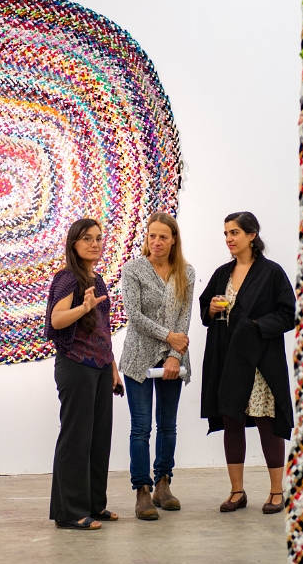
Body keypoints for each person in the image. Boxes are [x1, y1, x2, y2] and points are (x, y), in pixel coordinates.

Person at [199, 212, 296, 514]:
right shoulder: (221, 274)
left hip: (260, 361)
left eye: (235, 232)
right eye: (226, 233)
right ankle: (237, 491)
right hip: (228, 360)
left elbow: (288, 313)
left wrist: (255, 326)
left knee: (268, 422)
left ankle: (277, 492)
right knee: (232, 421)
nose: (229, 238)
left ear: (252, 235)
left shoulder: (271, 273)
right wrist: (213, 308)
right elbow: (205, 307)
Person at [45, 218, 124, 530]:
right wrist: (83, 307)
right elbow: (57, 321)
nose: (95, 243)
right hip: (75, 366)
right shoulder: (67, 279)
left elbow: (103, 330)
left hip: (101, 367)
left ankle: (93, 505)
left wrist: (113, 367)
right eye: (87, 238)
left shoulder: (98, 280)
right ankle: (68, 511)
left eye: (98, 238)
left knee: (98, 438)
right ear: (74, 244)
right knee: (76, 438)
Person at [119, 212, 196, 521]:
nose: (157, 241)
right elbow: (134, 315)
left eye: (163, 236)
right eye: (152, 236)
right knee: (141, 427)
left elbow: (185, 314)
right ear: (146, 238)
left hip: (174, 357)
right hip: (139, 356)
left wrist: (176, 354)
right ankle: (143, 491)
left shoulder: (186, 272)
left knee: (168, 424)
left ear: (173, 239)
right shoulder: (133, 269)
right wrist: (169, 337)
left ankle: (164, 484)